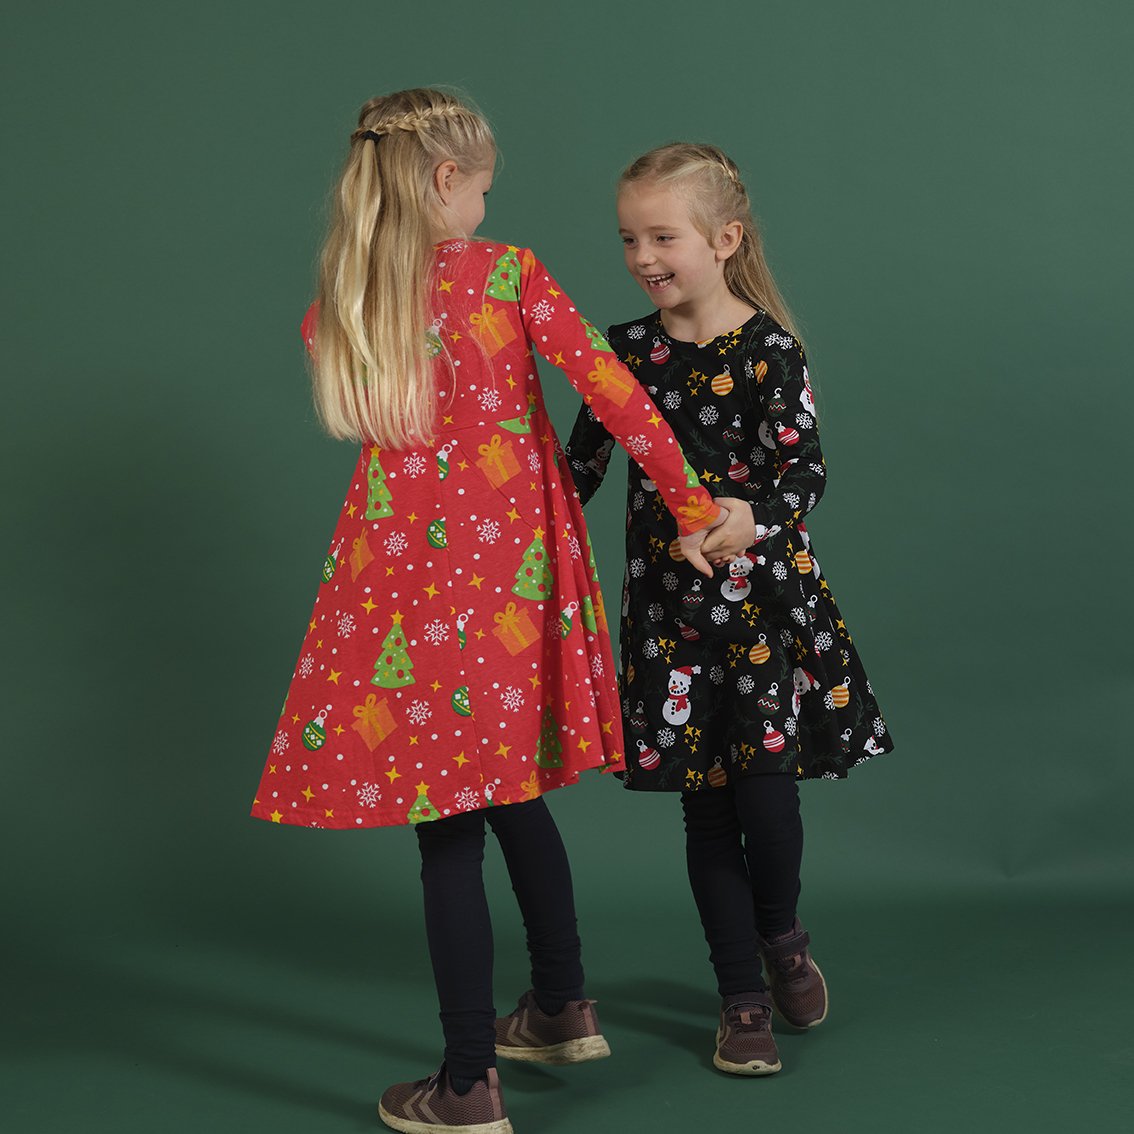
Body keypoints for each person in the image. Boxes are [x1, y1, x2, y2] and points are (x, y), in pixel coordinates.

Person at [249, 92, 726, 1133]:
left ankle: (503, 1052)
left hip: (398, 590)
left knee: (453, 831)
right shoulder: (507, 273)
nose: (486, 206)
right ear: (445, 181)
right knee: (508, 794)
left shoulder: (346, 298)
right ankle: (525, 1032)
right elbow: (615, 391)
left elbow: (343, 381)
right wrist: (695, 506)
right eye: (483, 188)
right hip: (512, 578)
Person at [565, 142, 894, 1077]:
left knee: (769, 798)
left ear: (725, 239)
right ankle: (739, 999)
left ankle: (781, 936)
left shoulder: (770, 350)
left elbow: (805, 471)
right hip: (670, 621)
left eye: (662, 236)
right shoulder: (623, 353)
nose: (642, 256)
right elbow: (577, 471)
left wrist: (753, 515)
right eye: (628, 238)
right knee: (706, 814)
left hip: (766, 613)